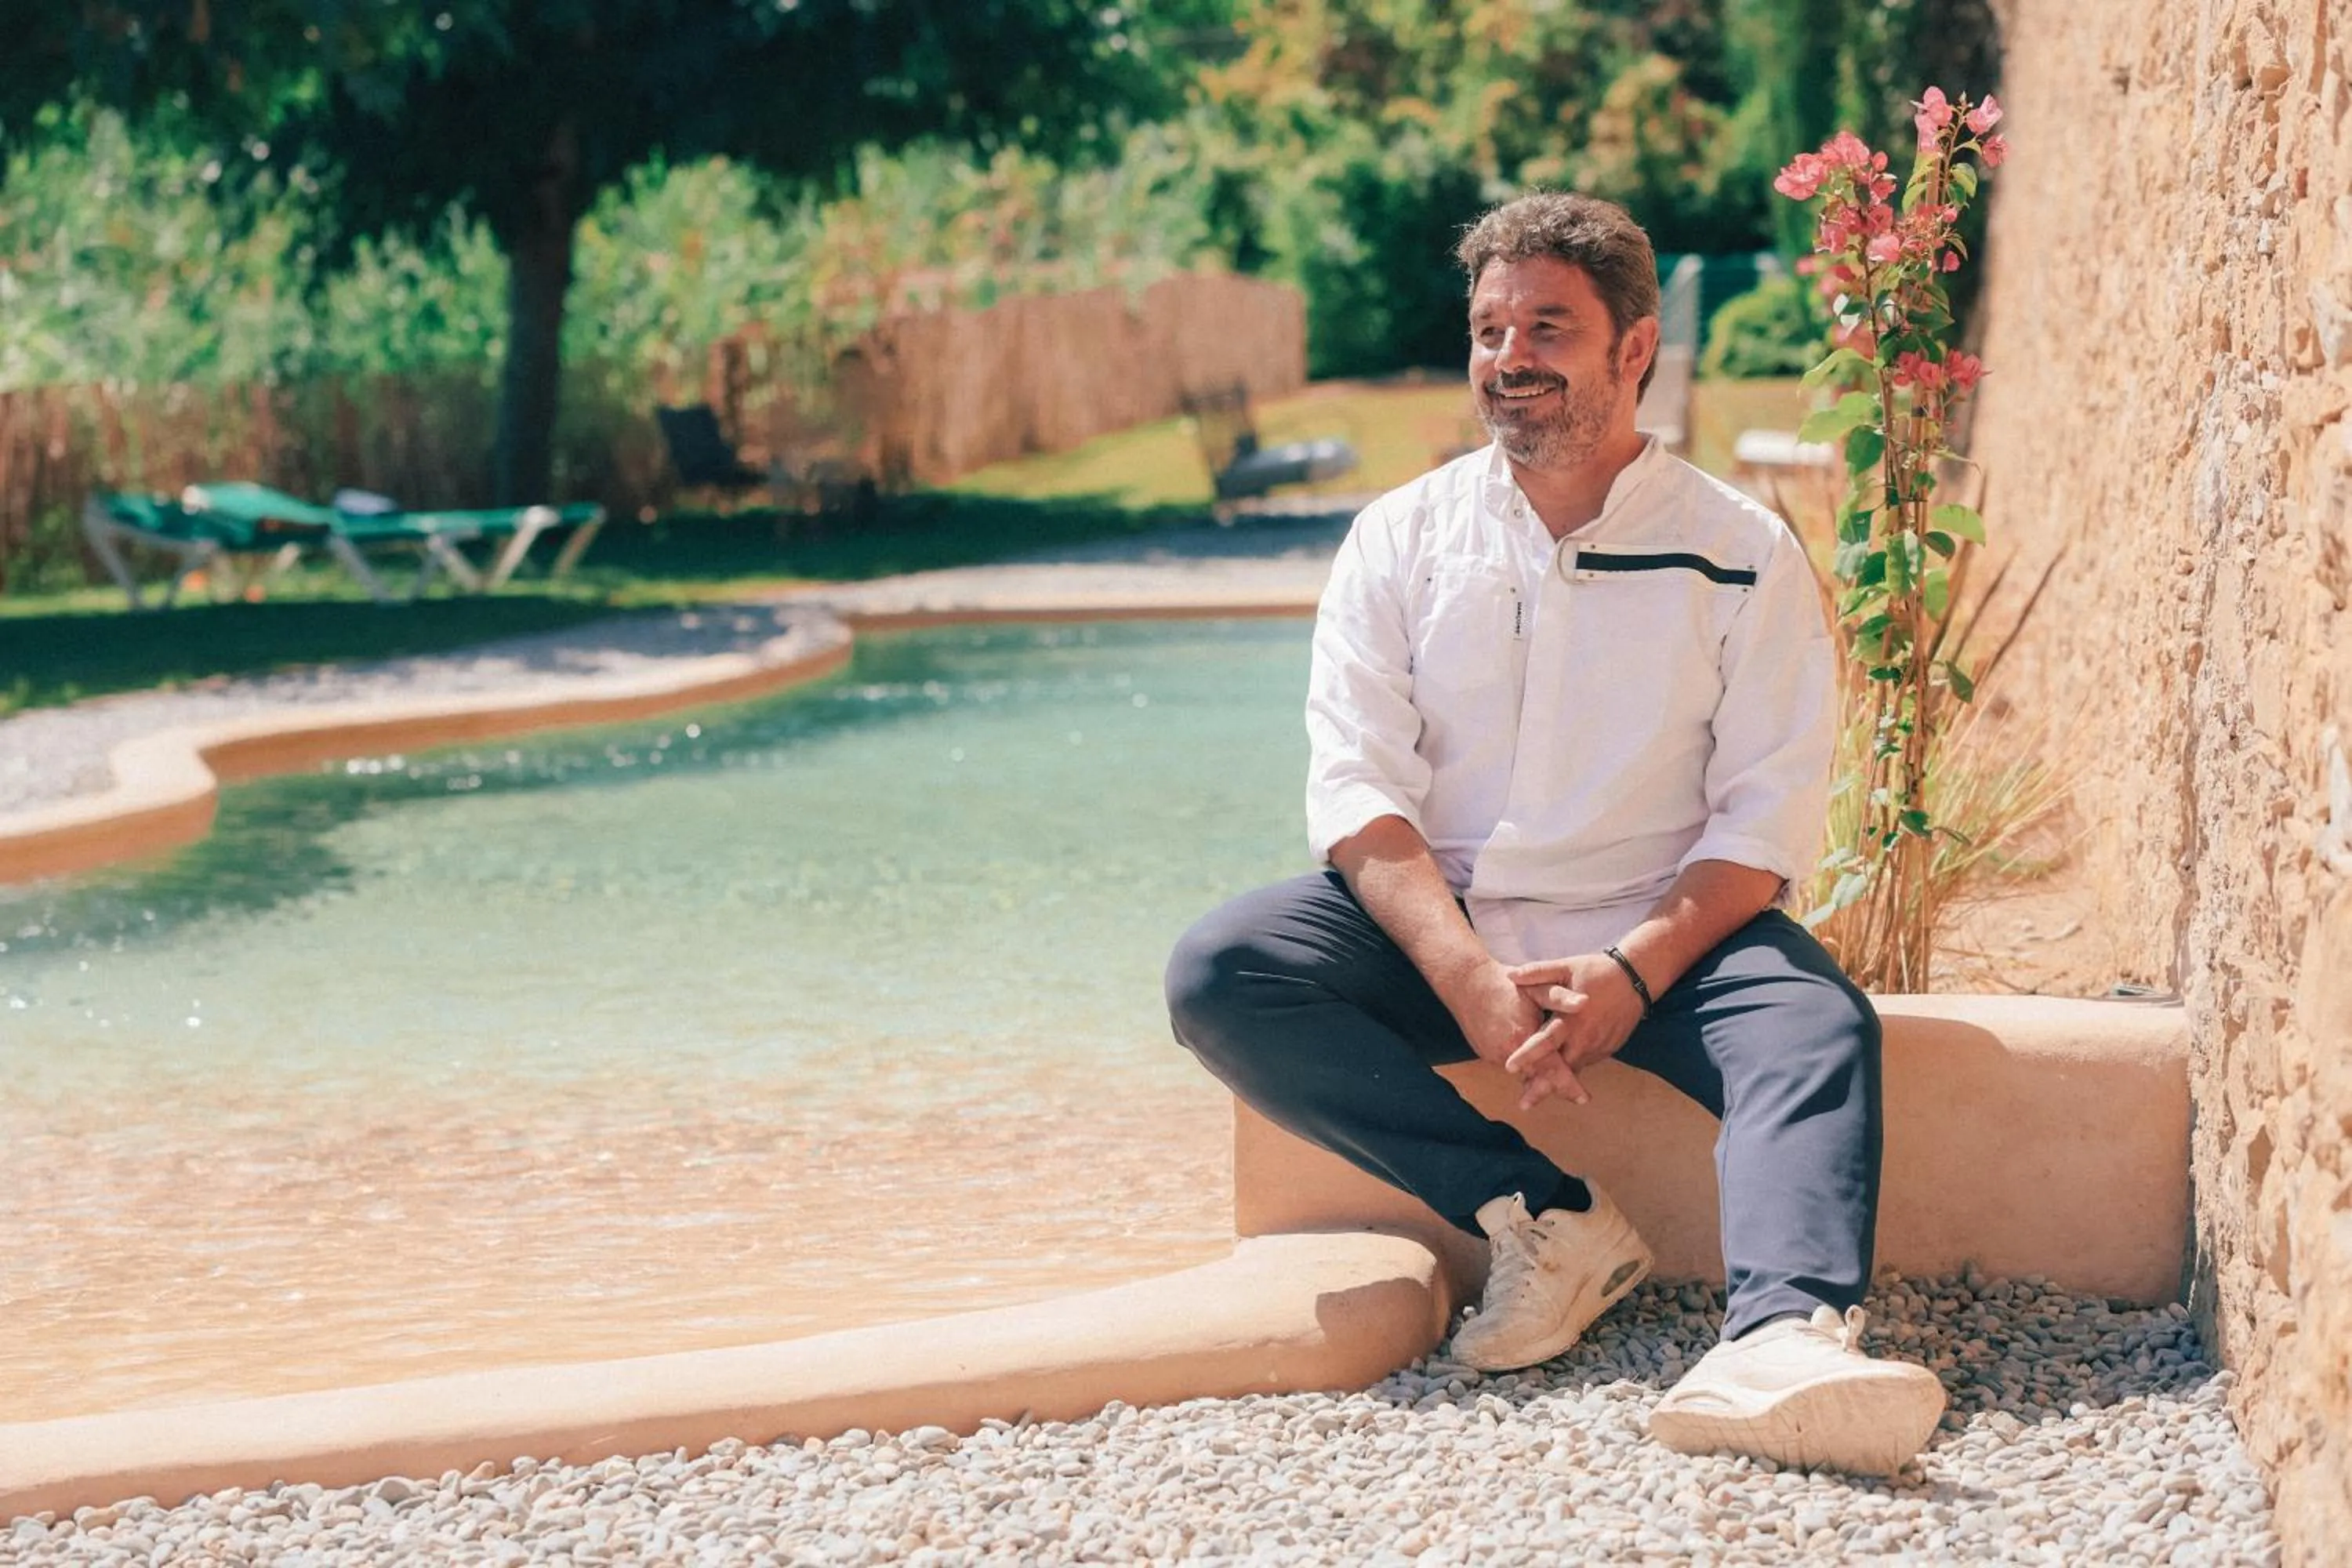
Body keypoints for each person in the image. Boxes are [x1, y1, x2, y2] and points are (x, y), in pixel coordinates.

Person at [1164, 191, 1947, 1476]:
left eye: (1547, 326)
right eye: (1488, 329)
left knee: (1814, 1025)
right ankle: (1545, 1215)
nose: (1509, 357)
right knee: (1225, 970)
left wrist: (1638, 970)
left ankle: (1785, 1342)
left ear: (1633, 349)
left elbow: (1768, 811)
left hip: (1669, 935)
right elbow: (1362, 798)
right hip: (1446, 932)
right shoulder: (1397, 542)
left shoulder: (1740, 551)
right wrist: (1468, 978)